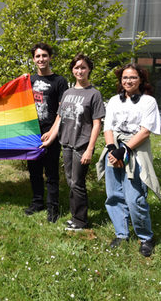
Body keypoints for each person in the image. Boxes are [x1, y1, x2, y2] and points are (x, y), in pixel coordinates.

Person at [96, 63, 161, 257]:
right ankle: (121, 233)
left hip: (135, 150)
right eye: (125, 78)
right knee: (114, 194)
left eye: (132, 77)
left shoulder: (148, 102)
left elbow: (145, 131)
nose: (128, 81)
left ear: (141, 79)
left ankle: (145, 237)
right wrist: (111, 150)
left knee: (135, 198)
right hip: (113, 147)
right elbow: (108, 127)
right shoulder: (114, 101)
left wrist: (123, 151)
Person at [41, 54, 104, 230]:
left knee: (77, 183)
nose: (80, 71)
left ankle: (81, 221)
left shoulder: (94, 94)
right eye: (76, 67)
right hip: (66, 144)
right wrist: (50, 138)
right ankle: (76, 216)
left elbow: (97, 123)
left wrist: (90, 149)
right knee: (71, 181)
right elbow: (60, 118)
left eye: (83, 67)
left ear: (89, 69)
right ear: (72, 70)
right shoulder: (68, 93)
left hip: (81, 145)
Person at [24, 42, 68, 222]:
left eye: (44, 56)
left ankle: (53, 208)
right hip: (31, 133)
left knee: (51, 173)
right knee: (34, 170)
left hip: (51, 132)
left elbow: (62, 110)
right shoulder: (28, 81)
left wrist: (52, 133)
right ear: (33, 59)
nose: (41, 59)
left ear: (50, 57)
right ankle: (37, 202)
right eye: (37, 56)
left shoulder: (59, 81)